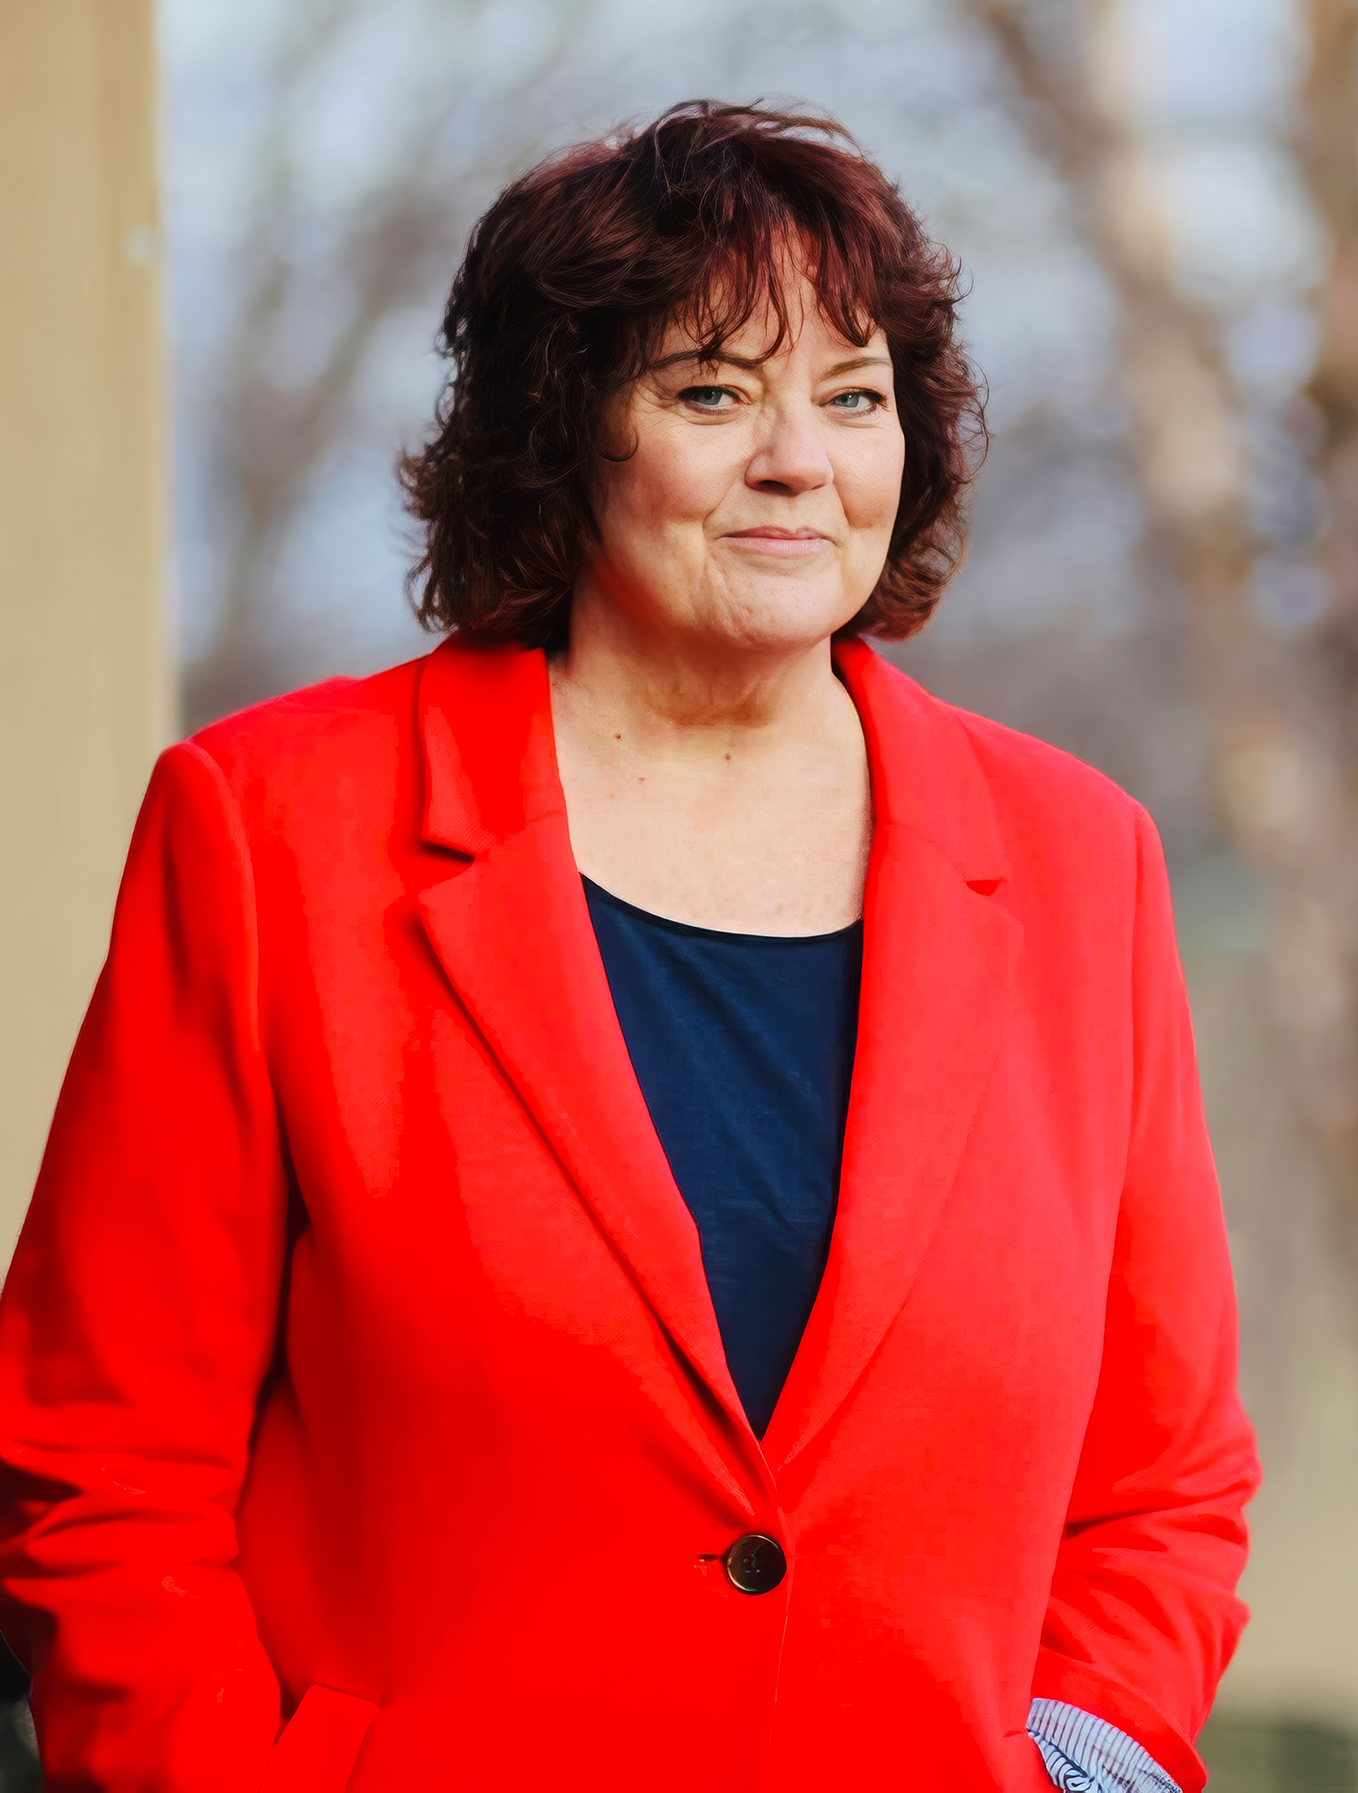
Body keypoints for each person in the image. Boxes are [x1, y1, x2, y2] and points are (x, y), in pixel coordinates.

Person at [0, 102, 1258, 1792]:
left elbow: (1163, 1484)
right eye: (712, 391)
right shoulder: (269, 828)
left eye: (855, 396)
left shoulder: (1080, 859)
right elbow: (99, 1468)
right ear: (562, 432)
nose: (799, 458)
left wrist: (1069, 1767)